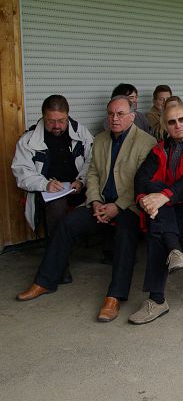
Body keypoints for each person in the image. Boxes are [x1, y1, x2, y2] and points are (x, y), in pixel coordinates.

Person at [16, 95, 157, 324]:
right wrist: (95, 201)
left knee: (125, 235)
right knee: (67, 224)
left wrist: (117, 206)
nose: (115, 118)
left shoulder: (146, 142)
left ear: (132, 116)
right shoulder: (100, 139)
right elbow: (91, 174)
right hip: (100, 202)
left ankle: (114, 297)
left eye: (121, 114)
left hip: (128, 206)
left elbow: (141, 182)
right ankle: (45, 281)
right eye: (111, 114)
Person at [130, 101, 183, 324]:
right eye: (172, 122)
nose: (178, 125)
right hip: (168, 208)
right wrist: (145, 200)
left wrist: (162, 196)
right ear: (165, 126)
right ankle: (174, 251)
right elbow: (140, 178)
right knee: (156, 210)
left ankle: (157, 300)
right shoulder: (160, 148)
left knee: (157, 226)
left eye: (182, 120)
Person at [12, 95, 94, 284]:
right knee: (57, 206)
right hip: (50, 193)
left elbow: (93, 160)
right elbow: (21, 173)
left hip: (78, 187)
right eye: (51, 121)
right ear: (43, 117)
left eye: (61, 121)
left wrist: (81, 180)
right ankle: (60, 266)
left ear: (68, 116)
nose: (57, 126)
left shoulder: (81, 132)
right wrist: (45, 184)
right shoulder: (29, 139)